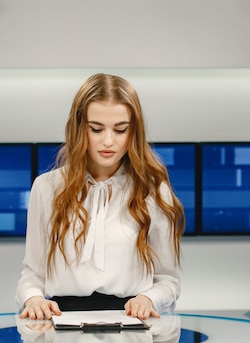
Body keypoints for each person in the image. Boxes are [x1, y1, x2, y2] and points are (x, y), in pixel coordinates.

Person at [16, 73, 185, 321]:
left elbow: (168, 280)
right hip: (61, 327)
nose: (108, 141)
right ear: (78, 128)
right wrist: (33, 298)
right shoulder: (46, 188)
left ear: (134, 131)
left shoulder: (153, 191)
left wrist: (148, 299)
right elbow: (32, 273)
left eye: (120, 130)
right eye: (96, 129)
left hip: (132, 328)